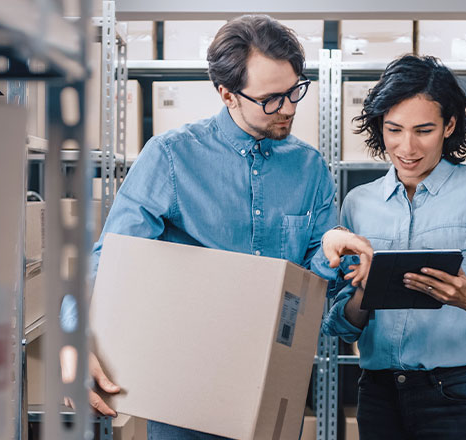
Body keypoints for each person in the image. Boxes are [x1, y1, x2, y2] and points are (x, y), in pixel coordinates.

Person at [61, 15, 339, 438]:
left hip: (276, 387)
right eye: (271, 99)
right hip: (186, 392)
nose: (288, 108)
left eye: (294, 91)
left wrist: (332, 254)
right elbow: (110, 260)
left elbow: (315, 285)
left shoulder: (311, 168)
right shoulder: (171, 158)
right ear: (227, 93)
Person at [315, 55, 466, 439]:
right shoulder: (358, 203)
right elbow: (341, 326)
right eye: (394, 129)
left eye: (424, 130)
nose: (407, 147)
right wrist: (365, 290)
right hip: (379, 393)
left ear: (449, 125)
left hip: (459, 394)